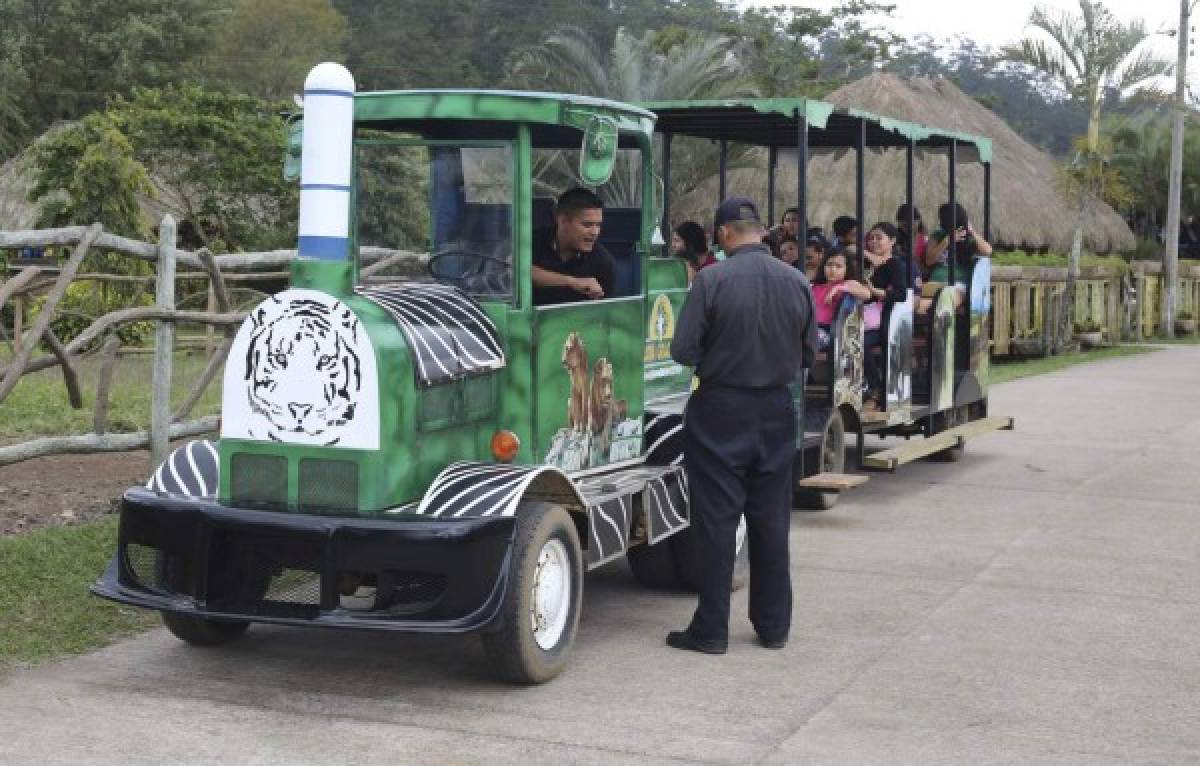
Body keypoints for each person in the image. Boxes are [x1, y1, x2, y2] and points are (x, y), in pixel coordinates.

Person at [667, 196, 816, 655]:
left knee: (716, 521)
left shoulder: (711, 279)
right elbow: (809, 351)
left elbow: (682, 350)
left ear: (726, 233)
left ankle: (711, 630)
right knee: (771, 520)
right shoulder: (796, 281)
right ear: (761, 231)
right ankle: (774, 627)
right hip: (775, 408)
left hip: (721, 408)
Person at [531, 187, 615, 305]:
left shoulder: (603, 263)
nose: (595, 232)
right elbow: (514, 270)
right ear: (563, 221)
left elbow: (604, 315)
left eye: (598, 225)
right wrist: (572, 282)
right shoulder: (532, 242)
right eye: (587, 225)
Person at [862, 222, 910, 409]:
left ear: (892, 241)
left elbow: (901, 293)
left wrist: (876, 292)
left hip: (885, 320)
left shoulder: (895, 264)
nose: (874, 242)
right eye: (871, 238)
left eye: (879, 238)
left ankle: (876, 388)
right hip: (863, 317)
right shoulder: (866, 263)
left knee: (858, 344)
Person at [810, 250, 871, 349]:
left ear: (847, 269)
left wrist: (839, 288)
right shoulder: (815, 287)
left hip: (833, 332)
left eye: (838, 266)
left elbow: (867, 294)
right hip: (813, 328)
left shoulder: (849, 283)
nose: (833, 270)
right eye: (829, 265)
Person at [924, 202, 992, 291]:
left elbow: (987, 251)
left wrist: (971, 231)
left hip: (959, 283)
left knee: (947, 294)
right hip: (936, 281)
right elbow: (929, 261)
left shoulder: (968, 237)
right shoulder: (938, 235)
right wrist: (946, 241)